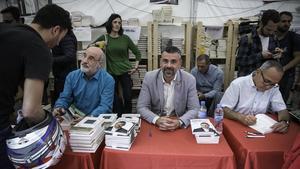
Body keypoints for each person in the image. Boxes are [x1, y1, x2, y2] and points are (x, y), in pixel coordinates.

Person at [0, 4, 71, 168]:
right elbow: (30, 111)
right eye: (61, 39)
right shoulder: (38, 47)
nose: (57, 44)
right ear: (55, 30)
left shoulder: (6, 31)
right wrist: (51, 123)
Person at [137, 46, 199, 131]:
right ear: (160, 62)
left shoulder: (189, 79)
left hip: (178, 124)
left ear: (180, 64)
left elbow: (194, 109)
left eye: (173, 62)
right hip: (155, 125)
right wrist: (157, 119)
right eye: (165, 61)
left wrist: (180, 122)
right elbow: (142, 107)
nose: (169, 65)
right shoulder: (149, 77)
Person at [220, 60, 290, 133]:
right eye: (267, 81)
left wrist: (284, 122)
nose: (268, 87)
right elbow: (223, 110)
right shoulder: (238, 84)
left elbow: (282, 109)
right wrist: (241, 117)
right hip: (236, 125)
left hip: (260, 128)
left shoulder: (274, 88)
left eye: (273, 84)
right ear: (258, 72)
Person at [92, 13, 141, 117]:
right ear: (110, 23)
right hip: (111, 72)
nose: (117, 24)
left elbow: (138, 53)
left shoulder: (125, 38)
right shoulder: (105, 37)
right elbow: (90, 47)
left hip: (125, 70)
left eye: (119, 22)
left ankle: (128, 117)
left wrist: (135, 67)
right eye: (115, 22)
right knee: (113, 97)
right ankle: (117, 117)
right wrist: (100, 44)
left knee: (127, 96)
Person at [53, 47, 115, 124]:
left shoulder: (108, 80)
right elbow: (65, 98)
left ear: (99, 64)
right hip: (76, 118)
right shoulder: (72, 76)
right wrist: (59, 107)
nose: (85, 61)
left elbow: (105, 106)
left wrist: (88, 118)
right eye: (84, 56)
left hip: (97, 120)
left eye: (91, 58)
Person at [236, 9, 282, 77]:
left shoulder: (274, 38)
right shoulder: (247, 38)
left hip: (265, 81)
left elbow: (273, 63)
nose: (271, 33)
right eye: (268, 29)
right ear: (261, 23)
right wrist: (260, 56)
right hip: (248, 80)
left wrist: (278, 55)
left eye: (274, 30)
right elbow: (240, 62)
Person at [276, 11, 300, 102]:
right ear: (277, 21)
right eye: (284, 21)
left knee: (280, 102)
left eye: (289, 21)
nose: (287, 24)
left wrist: (283, 69)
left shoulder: (294, 37)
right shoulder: (271, 36)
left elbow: (298, 57)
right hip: (269, 74)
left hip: (286, 76)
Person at [51, 29, 78, 106]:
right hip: (63, 75)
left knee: (63, 103)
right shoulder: (66, 35)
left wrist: (51, 59)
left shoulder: (66, 37)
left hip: (65, 76)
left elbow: (70, 56)